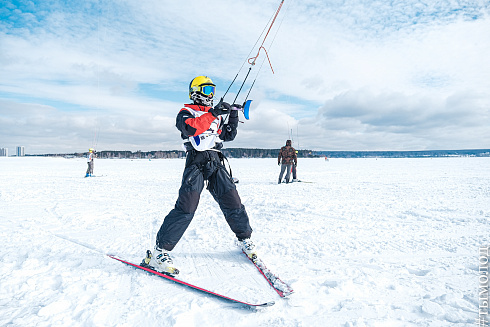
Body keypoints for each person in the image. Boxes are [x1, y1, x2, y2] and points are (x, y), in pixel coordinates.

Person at [146, 76, 256, 275]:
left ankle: (245, 240)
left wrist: (231, 114)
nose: (211, 95)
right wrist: (214, 112)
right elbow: (191, 128)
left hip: (215, 160)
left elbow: (227, 135)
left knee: (233, 202)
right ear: (195, 92)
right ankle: (159, 252)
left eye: (212, 91)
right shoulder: (186, 112)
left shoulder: (215, 115)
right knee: (186, 207)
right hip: (195, 162)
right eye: (206, 91)